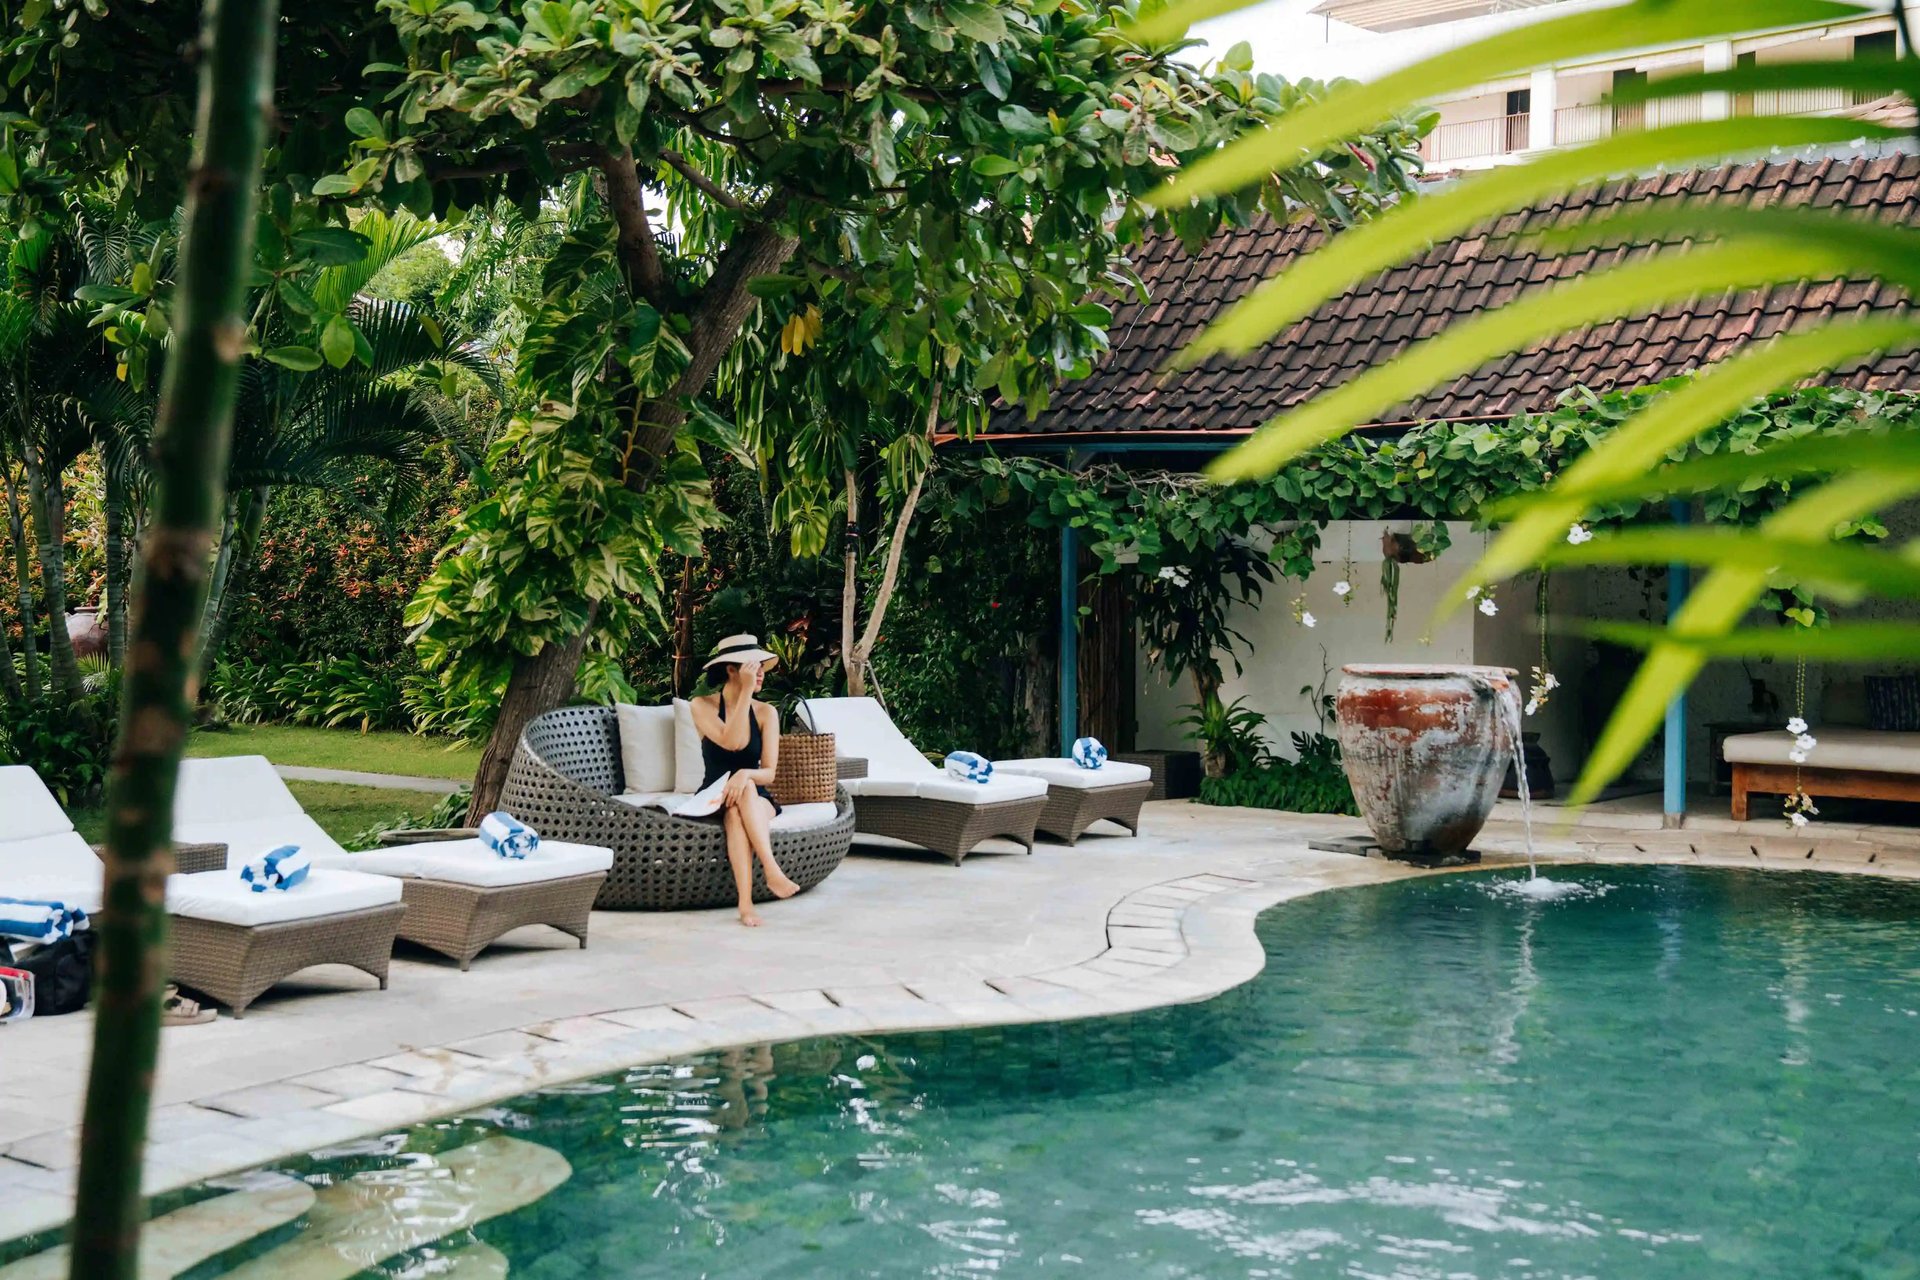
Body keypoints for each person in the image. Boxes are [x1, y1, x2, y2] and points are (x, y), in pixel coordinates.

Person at [691, 634, 802, 926]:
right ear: (731, 669)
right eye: (753, 666)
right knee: (736, 806)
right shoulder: (701, 705)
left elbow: (769, 772)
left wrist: (744, 774)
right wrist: (743, 697)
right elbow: (732, 741)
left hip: (756, 795)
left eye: (762, 666)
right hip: (714, 795)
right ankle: (770, 870)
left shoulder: (767, 712)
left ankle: (746, 903)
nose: (761, 673)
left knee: (742, 804)